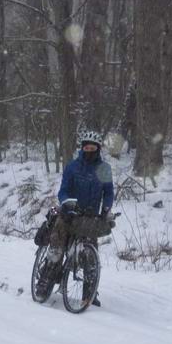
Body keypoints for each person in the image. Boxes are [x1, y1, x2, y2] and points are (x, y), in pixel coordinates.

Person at [50, 130, 114, 306]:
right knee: (57, 245)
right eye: (87, 146)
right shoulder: (72, 167)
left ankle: (90, 293)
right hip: (70, 213)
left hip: (90, 217)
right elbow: (63, 190)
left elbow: (108, 192)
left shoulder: (104, 169)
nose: (89, 149)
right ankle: (45, 278)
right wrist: (67, 203)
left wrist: (106, 210)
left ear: (98, 149)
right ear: (82, 148)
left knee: (90, 256)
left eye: (93, 147)